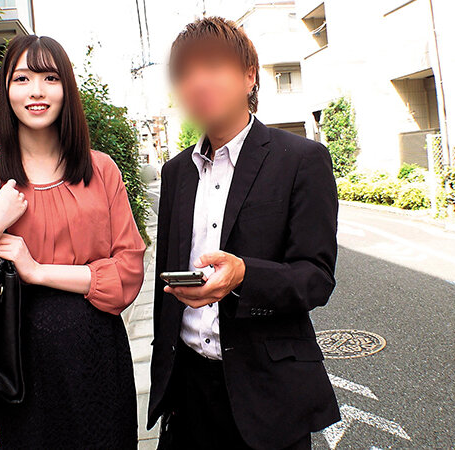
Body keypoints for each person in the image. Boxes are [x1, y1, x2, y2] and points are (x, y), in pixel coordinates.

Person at [0, 35, 145, 449]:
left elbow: (128, 273)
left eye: (50, 78)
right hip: (22, 363)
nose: (36, 91)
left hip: (98, 355)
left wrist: (37, 270)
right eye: (22, 79)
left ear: (67, 88)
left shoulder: (101, 170)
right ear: (6, 90)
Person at [148, 17, 341, 450]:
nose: (198, 82)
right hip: (188, 391)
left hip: (268, 393)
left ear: (249, 75)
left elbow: (316, 277)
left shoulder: (301, 159)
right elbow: (165, 285)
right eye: (185, 73)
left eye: (213, 66)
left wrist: (244, 276)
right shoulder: (176, 172)